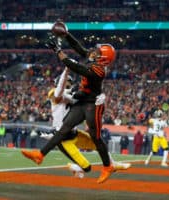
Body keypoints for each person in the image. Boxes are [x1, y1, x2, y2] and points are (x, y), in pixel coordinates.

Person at [22, 22, 120, 183]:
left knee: (95, 137)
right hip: (83, 100)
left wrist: (58, 51)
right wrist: (67, 35)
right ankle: (40, 155)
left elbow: (77, 68)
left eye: (98, 51)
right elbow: (78, 47)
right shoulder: (94, 59)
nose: (94, 51)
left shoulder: (99, 70)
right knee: (63, 128)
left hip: (93, 104)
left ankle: (107, 166)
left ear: (102, 57)